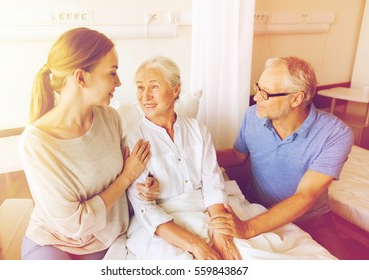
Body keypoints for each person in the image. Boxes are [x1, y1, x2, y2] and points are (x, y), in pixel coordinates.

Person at [18, 27, 156, 260]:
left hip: (105, 240)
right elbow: (75, 223)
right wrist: (127, 178)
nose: (119, 82)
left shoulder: (110, 118)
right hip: (54, 242)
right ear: (81, 77)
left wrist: (147, 185)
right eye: (112, 73)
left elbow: (129, 170)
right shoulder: (36, 144)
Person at [211, 56, 354, 259]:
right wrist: (196, 156)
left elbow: (305, 195)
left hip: (311, 220)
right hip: (255, 207)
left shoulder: (335, 134)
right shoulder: (253, 116)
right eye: (258, 88)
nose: (256, 98)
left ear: (296, 98)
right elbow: (237, 155)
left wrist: (248, 229)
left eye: (265, 93)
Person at [124, 56, 242, 260]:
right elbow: (144, 208)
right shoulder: (134, 140)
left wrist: (222, 235)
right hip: (165, 224)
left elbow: (213, 186)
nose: (145, 97)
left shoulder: (198, 130)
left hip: (207, 212)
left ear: (176, 89)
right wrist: (195, 245)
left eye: (154, 87)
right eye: (140, 88)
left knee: (247, 255)